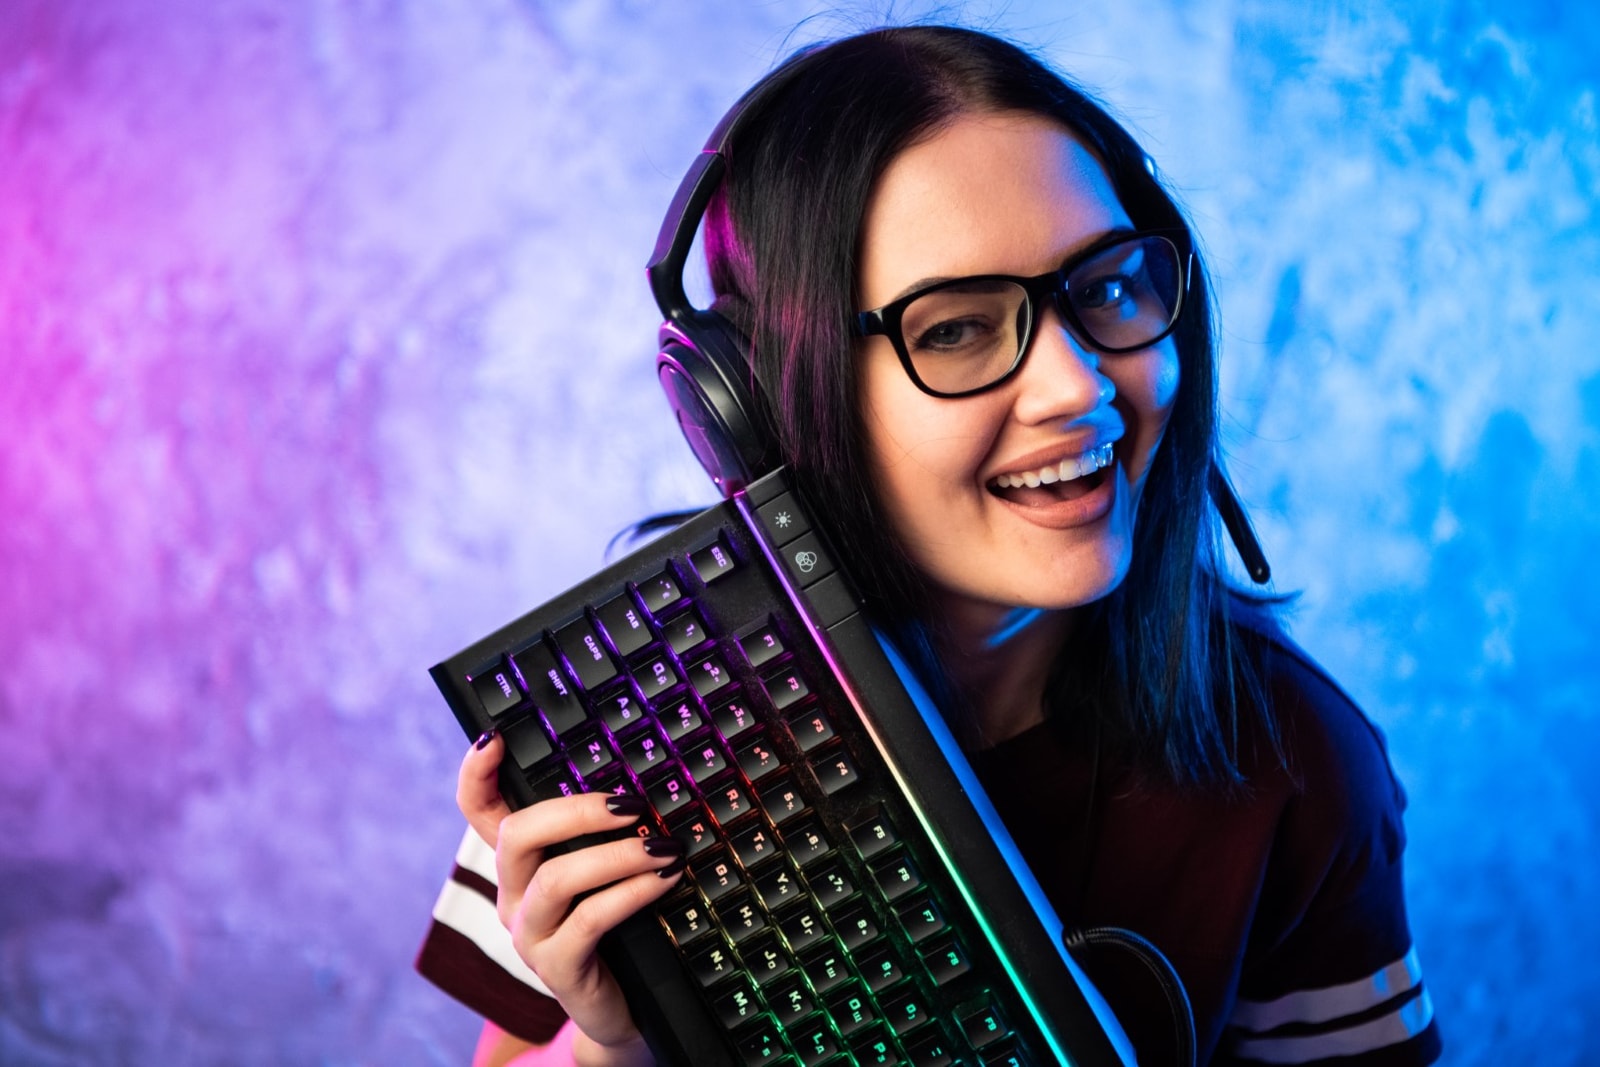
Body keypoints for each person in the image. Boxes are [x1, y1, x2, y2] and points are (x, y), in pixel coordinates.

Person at [417, 25, 1442, 1067]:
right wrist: (610, 1045)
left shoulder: (1292, 757)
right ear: (767, 402)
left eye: (1107, 286)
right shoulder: (622, 704)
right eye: (955, 327)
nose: (1078, 386)